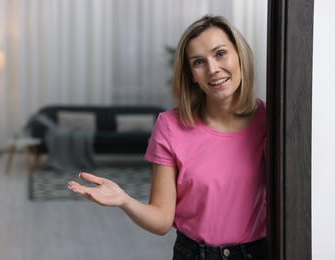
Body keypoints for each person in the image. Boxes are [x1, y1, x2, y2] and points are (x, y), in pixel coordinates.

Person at [68, 15, 267, 260]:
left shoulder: (270, 121)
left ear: (240, 56)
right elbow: (162, 220)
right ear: (192, 74)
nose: (213, 69)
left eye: (220, 53)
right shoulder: (170, 125)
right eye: (198, 62)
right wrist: (124, 200)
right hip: (194, 254)